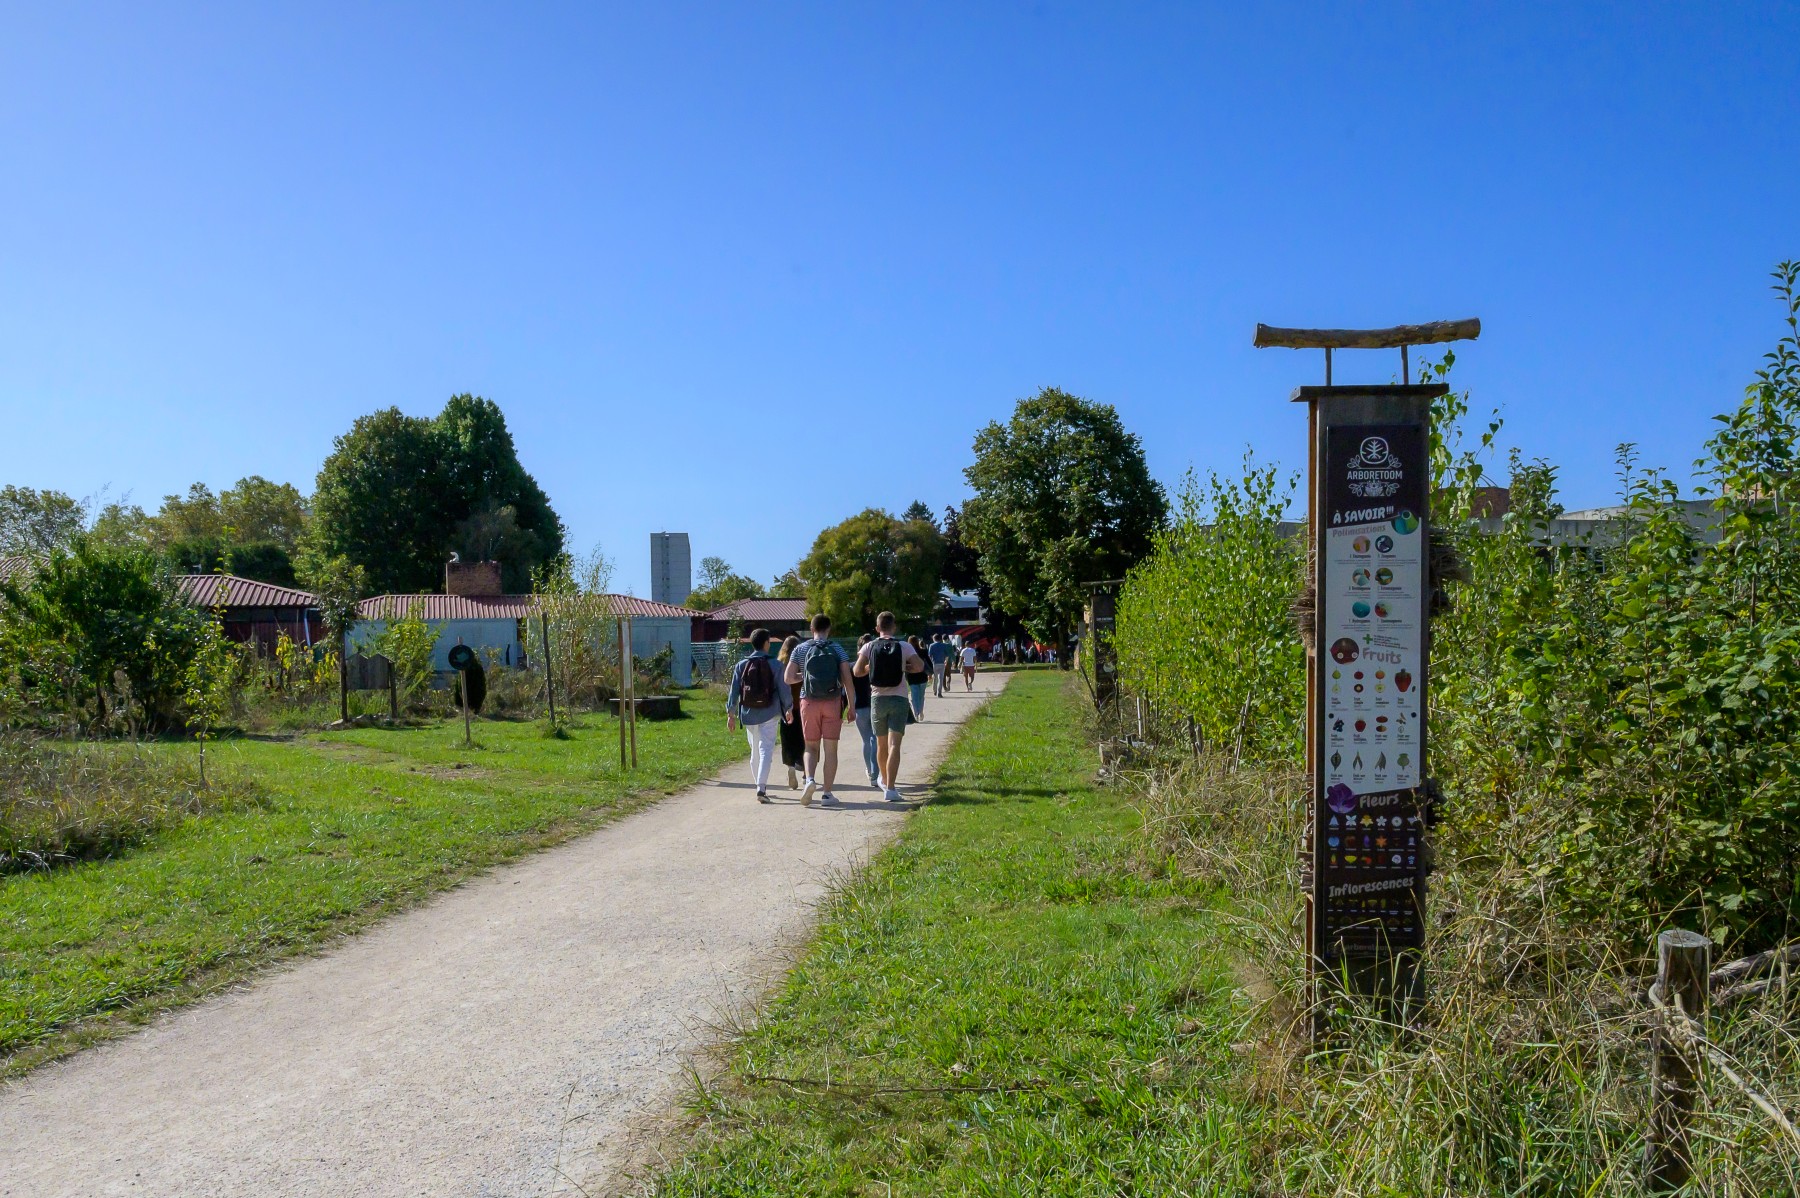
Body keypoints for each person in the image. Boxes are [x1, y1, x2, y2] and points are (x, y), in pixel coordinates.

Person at [853, 611, 930, 802]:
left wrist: (868, 669)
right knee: (894, 744)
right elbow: (920, 666)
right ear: (894, 627)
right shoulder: (903, 646)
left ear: (878, 628)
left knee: (881, 744)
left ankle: (884, 781)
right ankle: (891, 788)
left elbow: (856, 671)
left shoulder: (869, 646)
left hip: (877, 699)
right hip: (899, 698)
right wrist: (908, 667)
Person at [782, 613, 857, 808]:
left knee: (810, 747)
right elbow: (847, 679)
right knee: (831, 749)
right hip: (832, 701)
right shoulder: (836, 648)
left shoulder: (800, 649)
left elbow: (788, 678)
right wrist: (852, 706)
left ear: (812, 629)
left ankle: (810, 780)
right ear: (828, 629)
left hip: (808, 701)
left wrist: (806, 675)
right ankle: (827, 794)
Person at [725, 628, 793, 803]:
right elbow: (784, 690)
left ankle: (759, 785)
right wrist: (788, 708)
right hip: (769, 713)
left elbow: (734, 692)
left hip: (748, 713)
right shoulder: (776, 665)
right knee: (766, 750)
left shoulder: (741, 665)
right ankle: (761, 789)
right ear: (766, 643)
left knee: (754, 752)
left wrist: (730, 714)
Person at [775, 635, 806, 789]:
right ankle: (806, 773)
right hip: (802, 706)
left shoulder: (780, 664)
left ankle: (791, 768)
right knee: (805, 739)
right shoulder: (801, 664)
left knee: (787, 739)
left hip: (785, 708)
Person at [850, 633, 878, 785]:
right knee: (876, 740)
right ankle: (876, 771)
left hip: (859, 707)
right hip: (876, 704)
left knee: (867, 741)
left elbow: (847, 689)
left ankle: (871, 771)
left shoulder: (852, 668)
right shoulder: (877, 665)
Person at [905, 634, 930, 720]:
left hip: (912, 677)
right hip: (923, 676)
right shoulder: (923, 651)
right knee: (921, 696)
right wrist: (930, 673)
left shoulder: (907, 653)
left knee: (914, 695)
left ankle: (916, 713)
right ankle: (921, 711)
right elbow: (929, 663)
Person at [928, 633, 953, 698]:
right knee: (941, 679)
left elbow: (930, 656)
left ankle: (934, 690)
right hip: (942, 663)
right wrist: (945, 662)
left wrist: (930, 663)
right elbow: (947, 655)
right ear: (940, 639)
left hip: (934, 663)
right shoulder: (944, 645)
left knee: (935, 678)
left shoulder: (931, 645)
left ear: (934, 639)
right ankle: (939, 692)